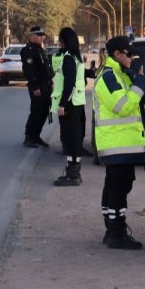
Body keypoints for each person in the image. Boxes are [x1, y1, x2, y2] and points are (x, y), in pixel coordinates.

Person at [93, 35, 145, 249]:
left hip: (121, 142)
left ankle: (111, 229)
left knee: (116, 184)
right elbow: (123, 106)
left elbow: (134, 108)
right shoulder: (109, 77)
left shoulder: (120, 74)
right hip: (116, 143)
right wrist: (140, 84)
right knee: (118, 187)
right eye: (128, 53)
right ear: (116, 54)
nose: (132, 57)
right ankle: (116, 233)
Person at [50, 27, 87, 186]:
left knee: (70, 140)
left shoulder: (68, 58)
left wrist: (63, 104)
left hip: (70, 105)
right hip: (77, 103)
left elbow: (69, 84)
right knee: (74, 140)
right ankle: (73, 172)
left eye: (60, 39)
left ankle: (73, 175)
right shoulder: (76, 57)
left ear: (64, 41)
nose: (58, 42)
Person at [20, 26, 54, 148]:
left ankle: (36, 135)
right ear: (31, 36)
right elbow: (28, 70)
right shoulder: (28, 50)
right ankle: (29, 137)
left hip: (45, 84)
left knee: (44, 111)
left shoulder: (40, 49)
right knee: (36, 111)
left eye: (42, 35)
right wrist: (35, 87)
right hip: (37, 85)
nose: (41, 37)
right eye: (39, 35)